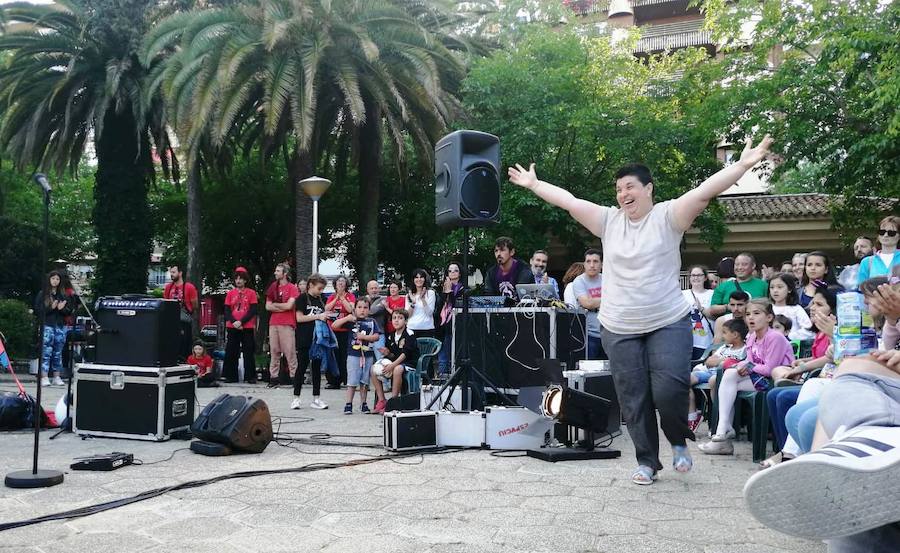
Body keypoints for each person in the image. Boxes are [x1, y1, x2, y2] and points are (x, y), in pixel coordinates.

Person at [508, 134, 774, 484]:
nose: (623, 194)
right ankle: (647, 461)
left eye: (630, 187)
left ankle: (679, 441)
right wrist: (535, 183)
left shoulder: (669, 217)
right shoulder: (608, 221)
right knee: (633, 399)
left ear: (649, 189)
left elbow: (704, 192)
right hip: (619, 327)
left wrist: (740, 165)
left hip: (666, 321)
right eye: (618, 189)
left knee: (668, 389)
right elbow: (570, 202)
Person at [699, 298, 794, 455]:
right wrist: (743, 365)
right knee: (728, 376)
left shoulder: (774, 337)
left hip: (775, 382)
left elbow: (770, 369)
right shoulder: (751, 337)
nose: (751, 317)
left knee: (730, 377)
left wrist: (746, 366)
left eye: (756, 313)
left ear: (769, 318)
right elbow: (750, 362)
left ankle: (723, 432)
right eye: (748, 314)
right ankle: (723, 432)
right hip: (759, 379)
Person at [688, 318, 748, 432]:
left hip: (722, 376)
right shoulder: (724, 347)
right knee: (683, 380)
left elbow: (738, 365)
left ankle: (720, 420)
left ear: (735, 334)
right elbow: (709, 361)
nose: (722, 336)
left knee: (714, 380)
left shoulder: (745, 350)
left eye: (724, 333)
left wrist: (720, 361)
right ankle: (692, 416)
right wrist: (724, 360)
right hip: (707, 372)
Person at [333, 297, 380, 414]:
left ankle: (363, 403)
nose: (362, 310)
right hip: (353, 355)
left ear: (369, 310)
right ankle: (348, 403)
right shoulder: (351, 321)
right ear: (354, 309)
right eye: (359, 307)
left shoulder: (372, 322)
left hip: (367, 355)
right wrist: (347, 318)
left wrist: (365, 337)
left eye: (365, 308)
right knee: (352, 380)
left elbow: (376, 336)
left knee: (364, 381)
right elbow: (334, 325)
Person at [294, 273, 332, 410]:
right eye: (319, 288)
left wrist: (326, 317)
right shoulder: (302, 298)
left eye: (322, 289)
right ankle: (296, 397)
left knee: (316, 369)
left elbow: (323, 316)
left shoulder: (321, 299)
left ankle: (316, 398)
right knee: (302, 366)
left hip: (318, 339)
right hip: (304, 337)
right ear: (310, 285)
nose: (321, 291)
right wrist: (317, 316)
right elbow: (299, 318)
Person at [371, 308, 420, 414]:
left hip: (410, 363)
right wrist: (387, 353)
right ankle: (382, 400)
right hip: (396, 362)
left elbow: (405, 354)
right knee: (373, 369)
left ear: (406, 321)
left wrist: (392, 365)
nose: (396, 320)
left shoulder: (409, 334)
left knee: (397, 369)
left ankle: (393, 402)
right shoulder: (391, 335)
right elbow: (393, 355)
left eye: (400, 318)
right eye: (394, 318)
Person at [34, 270, 73, 387]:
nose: (55, 281)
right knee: (46, 351)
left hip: (60, 326)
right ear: (49, 280)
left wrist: (62, 309)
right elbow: (38, 310)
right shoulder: (43, 294)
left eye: (57, 279)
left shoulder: (63, 295)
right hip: (47, 325)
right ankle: (44, 376)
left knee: (58, 352)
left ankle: (56, 376)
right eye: (53, 279)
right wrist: (51, 307)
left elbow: (68, 311)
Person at [264, 263, 299, 388]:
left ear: (285, 273)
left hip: (287, 323)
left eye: (278, 271)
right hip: (274, 323)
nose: (275, 273)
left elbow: (289, 306)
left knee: (289, 351)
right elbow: (267, 306)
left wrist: (276, 306)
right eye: (276, 270)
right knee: (274, 351)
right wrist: (281, 307)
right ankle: (274, 378)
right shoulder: (273, 287)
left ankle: (294, 376)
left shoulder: (292, 288)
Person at [223, 266, 258, 383]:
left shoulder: (251, 293)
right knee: (231, 350)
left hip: (246, 326)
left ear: (245, 280)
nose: (238, 281)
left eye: (240, 279)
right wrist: (234, 322)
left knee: (248, 351)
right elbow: (227, 310)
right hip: (232, 326)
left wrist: (241, 322)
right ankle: (230, 376)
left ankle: (250, 376)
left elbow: (253, 310)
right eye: (236, 279)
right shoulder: (230, 293)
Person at [707, 252, 769, 317]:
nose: (739, 267)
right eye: (737, 264)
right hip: (731, 325)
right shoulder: (723, 286)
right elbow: (712, 310)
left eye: (744, 264)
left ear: (753, 266)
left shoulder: (764, 285)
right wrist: (729, 307)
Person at [572, 249, 606, 360]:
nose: (592, 265)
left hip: (609, 333)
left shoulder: (607, 279)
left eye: (595, 261)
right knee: (590, 371)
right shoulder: (579, 281)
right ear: (584, 264)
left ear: (601, 264)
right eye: (588, 261)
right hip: (589, 335)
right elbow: (587, 303)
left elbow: (620, 300)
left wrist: (594, 301)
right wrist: (608, 300)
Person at [163, 263, 199, 362]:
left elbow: (195, 305)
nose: (172, 274)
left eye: (174, 272)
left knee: (184, 341)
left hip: (184, 320)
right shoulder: (168, 288)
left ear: (180, 273)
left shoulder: (189, 287)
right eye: (171, 272)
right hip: (171, 320)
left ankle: (183, 359)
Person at [325, 275, 355, 388]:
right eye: (338, 281)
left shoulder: (350, 296)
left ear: (346, 284)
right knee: (333, 355)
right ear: (335, 284)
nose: (341, 283)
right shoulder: (332, 296)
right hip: (333, 329)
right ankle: (334, 381)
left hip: (346, 329)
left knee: (345, 355)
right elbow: (327, 309)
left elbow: (350, 309)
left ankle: (346, 379)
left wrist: (342, 298)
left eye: (343, 281)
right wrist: (336, 298)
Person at [483, 236, 533, 302]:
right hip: (498, 311)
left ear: (512, 252)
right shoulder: (491, 272)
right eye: (496, 251)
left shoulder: (523, 269)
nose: (498, 254)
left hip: (521, 310)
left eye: (502, 250)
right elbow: (488, 296)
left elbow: (522, 294)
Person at [768, 273, 814, 340]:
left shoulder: (796, 309)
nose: (775, 290)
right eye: (772, 287)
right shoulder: (767, 309)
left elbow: (809, 330)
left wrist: (790, 336)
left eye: (779, 287)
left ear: (789, 289)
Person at [437, 263, 464, 377]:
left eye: (455, 270)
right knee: (443, 357)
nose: (452, 272)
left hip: (458, 326)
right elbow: (439, 308)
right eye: (450, 271)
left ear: (460, 273)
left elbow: (456, 305)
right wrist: (445, 292)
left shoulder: (463, 289)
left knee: (457, 356)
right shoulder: (442, 289)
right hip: (444, 327)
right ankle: (442, 380)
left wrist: (450, 292)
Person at [683, 265, 714, 361]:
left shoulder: (712, 293)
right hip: (686, 341)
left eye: (699, 275)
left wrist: (701, 308)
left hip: (706, 341)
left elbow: (715, 315)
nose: (696, 278)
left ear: (705, 278)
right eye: (693, 275)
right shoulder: (682, 294)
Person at [858, 215, 900, 285]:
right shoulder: (866, 262)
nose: (885, 235)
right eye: (882, 232)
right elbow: (862, 290)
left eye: (891, 233)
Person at [406, 268, 437, 340]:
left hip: (426, 328)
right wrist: (413, 303)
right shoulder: (409, 295)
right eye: (416, 277)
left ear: (424, 279)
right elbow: (407, 315)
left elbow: (429, 313)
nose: (419, 279)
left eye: (421, 277)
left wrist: (423, 299)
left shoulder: (431, 293)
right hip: (411, 328)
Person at [364, 280, 388, 360]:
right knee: (366, 361)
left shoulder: (383, 299)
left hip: (379, 334)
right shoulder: (364, 300)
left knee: (380, 359)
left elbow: (373, 311)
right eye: (371, 288)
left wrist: (367, 303)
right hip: (365, 335)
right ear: (367, 290)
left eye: (375, 288)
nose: (374, 290)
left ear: (379, 289)